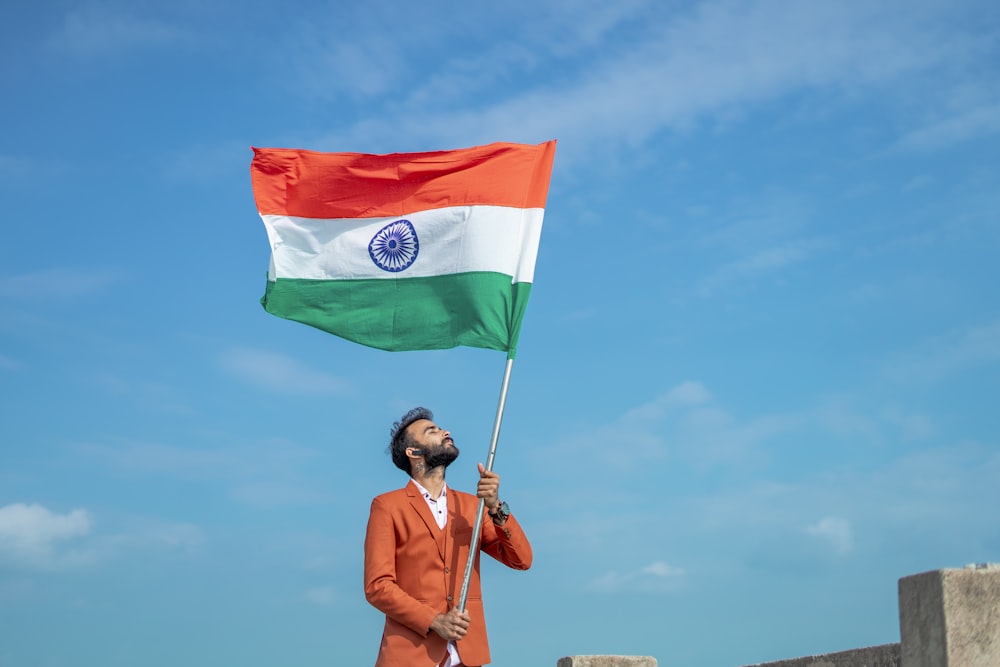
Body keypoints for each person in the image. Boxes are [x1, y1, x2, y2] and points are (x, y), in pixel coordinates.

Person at [364, 407, 533, 667]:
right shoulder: (387, 506)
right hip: (409, 657)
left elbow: (521, 560)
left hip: (467, 657)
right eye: (432, 430)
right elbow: (378, 587)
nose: (446, 432)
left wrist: (496, 506)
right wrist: (434, 621)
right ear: (413, 452)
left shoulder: (470, 507)